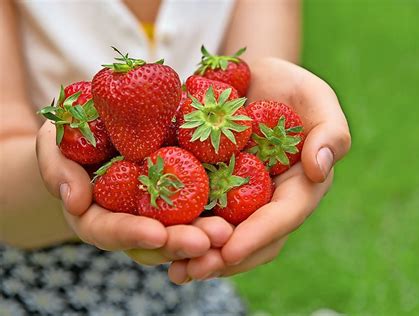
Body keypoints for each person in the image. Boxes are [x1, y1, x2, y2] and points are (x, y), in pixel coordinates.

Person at [0, 0, 351, 314]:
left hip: (191, 279)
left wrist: (271, 121)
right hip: (39, 280)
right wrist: (66, 171)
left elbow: (247, 99)